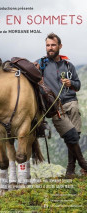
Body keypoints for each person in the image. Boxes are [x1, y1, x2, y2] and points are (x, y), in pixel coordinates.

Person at [34, 33, 87, 177]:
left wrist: (71, 83)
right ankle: (83, 165)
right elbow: (31, 75)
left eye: (53, 45)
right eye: (48, 45)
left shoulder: (69, 65)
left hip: (71, 102)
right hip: (55, 106)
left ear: (59, 46)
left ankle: (70, 171)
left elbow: (78, 85)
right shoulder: (41, 64)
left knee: (74, 135)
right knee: (70, 136)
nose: (50, 48)